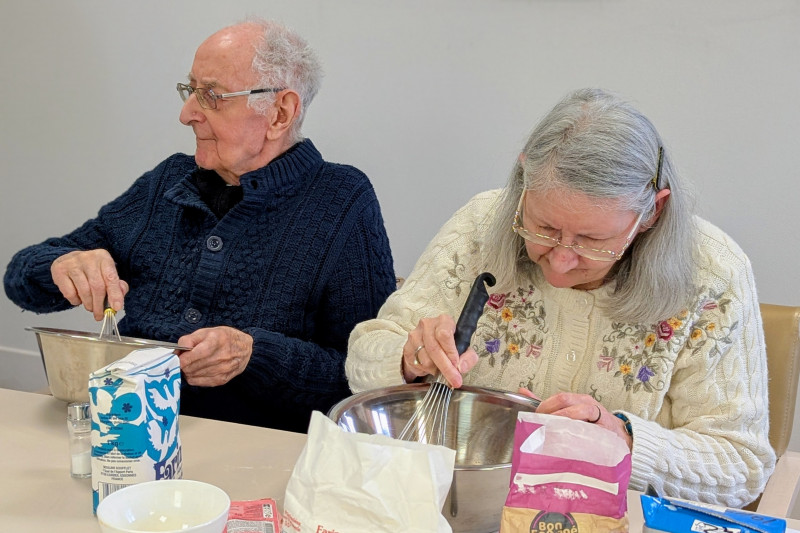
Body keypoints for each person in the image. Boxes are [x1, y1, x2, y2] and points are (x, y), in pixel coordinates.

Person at [346, 88, 775, 507]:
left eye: (593, 240)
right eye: (544, 229)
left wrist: (624, 440)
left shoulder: (712, 275)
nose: (561, 261)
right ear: (523, 182)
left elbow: (741, 466)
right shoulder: (480, 225)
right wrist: (409, 360)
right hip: (459, 505)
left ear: (652, 213)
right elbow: (364, 357)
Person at [4, 18, 396, 433]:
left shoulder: (341, 200)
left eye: (211, 95)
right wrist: (61, 265)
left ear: (280, 113)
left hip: (257, 447)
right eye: (190, 91)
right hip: (128, 432)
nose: (186, 114)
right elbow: (20, 281)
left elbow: (367, 378)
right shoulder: (168, 182)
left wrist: (254, 355)